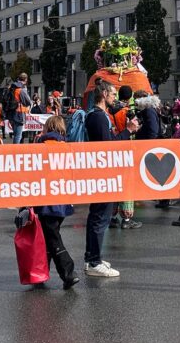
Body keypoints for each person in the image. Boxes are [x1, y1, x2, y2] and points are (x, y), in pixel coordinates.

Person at [83, 79, 139, 277]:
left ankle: (92, 258)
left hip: (100, 173)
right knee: (100, 217)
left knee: (98, 217)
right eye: (113, 94)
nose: (115, 98)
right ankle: (94, 261)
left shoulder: (98, 115)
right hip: (102, 174)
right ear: (104, 94)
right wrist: (128, 131)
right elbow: (108, 147)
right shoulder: (98, 117)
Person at [32, 115, 78, 289]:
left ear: (47, 128)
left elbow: (33, 174)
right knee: (49, 237)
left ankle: (68, 272)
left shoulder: (41, 147)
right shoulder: (67, 148)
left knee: (52, 238)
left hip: (46, 200)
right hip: (63, 199)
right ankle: (40, 274)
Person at [6, 73, 32, 144]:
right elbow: (28, 101)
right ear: (26, 80)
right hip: (19, 113)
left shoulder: (12, 87)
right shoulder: (21, 89)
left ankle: (15, 150)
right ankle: (15, 151)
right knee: (18, 136)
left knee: (15, 134)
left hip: (11, 113)